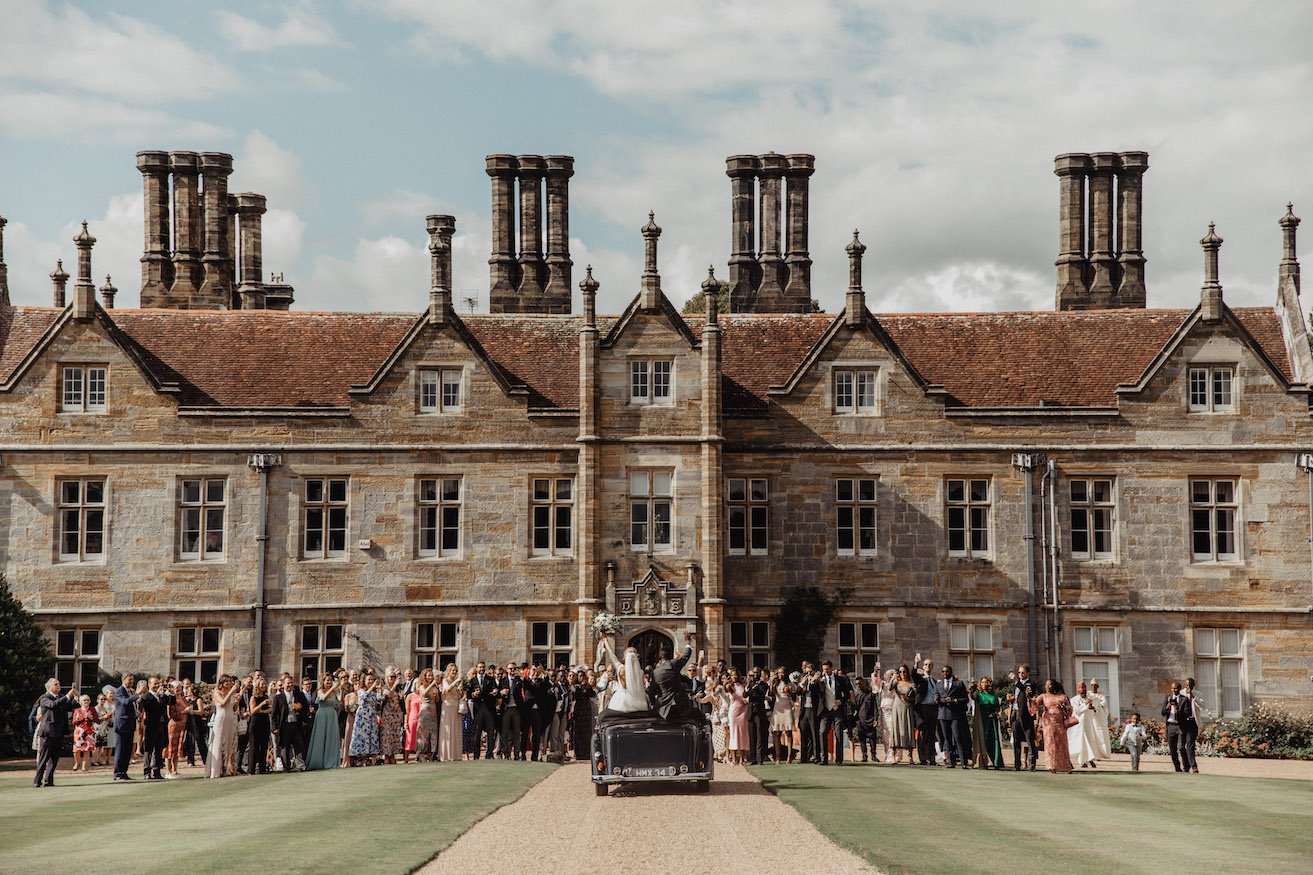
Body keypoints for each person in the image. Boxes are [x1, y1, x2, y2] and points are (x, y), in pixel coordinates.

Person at [34, 679, 79, 787]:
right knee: (44, 758)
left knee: (54, 758)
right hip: (48, 732)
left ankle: (49, 780)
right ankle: (37, 780)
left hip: (59, 732)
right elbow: (53, 705)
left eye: (59, 684)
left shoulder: (61, 697)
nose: (59, 686)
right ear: (50, 687)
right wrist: (68, 696)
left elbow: (74, 705)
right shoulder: (44, 698)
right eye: (56, 684)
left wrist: (76, 696)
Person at [596, 632, 650, 714]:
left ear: (625, 657)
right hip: (638, 700)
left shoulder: (620, 668)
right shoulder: (641, 672)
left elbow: (611, 654)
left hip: (621, 701)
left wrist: (605, 640)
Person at [271, 672, 311, 772]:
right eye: (288, 683)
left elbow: (306, 707)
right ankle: (286, 766)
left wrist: (300, 708)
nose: (290, 685)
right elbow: (274, 714)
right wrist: (275, 727)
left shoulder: (299, 695)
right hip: (284, 724)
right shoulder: (278, 697)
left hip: (296, 723)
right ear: (283, 685)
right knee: (285, 746)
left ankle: (301, 765)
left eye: (291, 683)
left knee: (299, 745)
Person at [816, 660, 852, 765]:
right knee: (822, 732)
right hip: (825, 710)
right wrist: (815, 680)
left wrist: (841, 701)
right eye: (823, 669)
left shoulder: (840, 679)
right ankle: (824, 759)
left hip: (837, 711)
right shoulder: (820, 681)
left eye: (827, 669)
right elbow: (815, 692)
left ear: (831, 668)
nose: (825, 671)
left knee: (838, 734)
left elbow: (847, 694)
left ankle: (839, 759)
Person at [935, 665, 972, 768]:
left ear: (951, 672)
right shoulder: (939, 685)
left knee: (958, 737)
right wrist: (942, 700)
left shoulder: (958, 684)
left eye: (947, 671)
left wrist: (954, 700)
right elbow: (937, 698)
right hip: (943, 714)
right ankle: (951, 762)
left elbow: (965, 699)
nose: (945, 673)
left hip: (955, 715)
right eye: (943, 671)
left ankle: (964, 762)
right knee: (946, 739)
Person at [1034, 679, 1074, 774]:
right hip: (1048, 723)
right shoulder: (1043, 696)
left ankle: (1066, 765)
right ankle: (1052, 766)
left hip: (1059, 722)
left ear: (1054, 686)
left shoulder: (1062, 697)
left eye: (1050, 684)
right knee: (1050, 743)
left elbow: (1070, 709)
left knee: (1062, 743)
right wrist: (1028, 698)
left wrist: (1063, 706)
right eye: (1046, 685)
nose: (1048, 686)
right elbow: (1034, 705)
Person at [1068, 681, 1110, 768]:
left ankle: (1090, 759)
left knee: (1090, 742)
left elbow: (1098, 709)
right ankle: (1082, 761)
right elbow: (1076, 711)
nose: (1083, 693)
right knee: (1081, 743)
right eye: (1081, 692)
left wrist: (1093, 708)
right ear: (1078, 691)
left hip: (1089, 724)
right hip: (1079, 725)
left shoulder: (1090, 698)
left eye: (1084, 691)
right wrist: (1086, 705)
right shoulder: (1074, 700)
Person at [305, 673, 342, 770]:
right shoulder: (320, 691)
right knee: (320, 737)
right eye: (327, 680)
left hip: (332, 715)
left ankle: (331, 761)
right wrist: (332, 688)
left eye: (330, 680)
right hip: (322, 715)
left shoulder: (334, 691)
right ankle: (318, 761)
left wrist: (340, 688)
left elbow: (340, 699)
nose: (329, 682)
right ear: (323, 681)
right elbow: (323, 697)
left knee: (331, 737)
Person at [206, 675, 240, 778]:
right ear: (222, 683)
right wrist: (232, 692)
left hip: (230, 719)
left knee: (228, 744)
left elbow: (233, 708)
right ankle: (216, 770)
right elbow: (223, 703)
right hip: (221, 720)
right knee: (219, 743)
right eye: (227, 682)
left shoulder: (231, 693)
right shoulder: (217, 692)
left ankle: (226, 769)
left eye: (230, 682)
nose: (229, 684)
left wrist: (237, 699)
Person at [139, 676, 171, 780]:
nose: (156, 686)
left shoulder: (161, 696)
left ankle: (157, 771)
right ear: (149, 685)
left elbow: (171, 701)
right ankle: (147, 771)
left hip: (161, 725)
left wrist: (169, 692)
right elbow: (149, 706)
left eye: (158, 683)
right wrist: (159, 697)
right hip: (151, 725)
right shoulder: (147, 696)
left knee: (159, 749)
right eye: (154, 684)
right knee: (149, 749)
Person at [1008, 663, 1039, 771]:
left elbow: (1028, 693)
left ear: (1028, 673)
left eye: (1023, 672)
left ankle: (1031, 765)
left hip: (1025, 714)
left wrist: (1017, 681)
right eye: (1019, 672)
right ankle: (1017, 765)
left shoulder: (1030, 683)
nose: (1020, 674)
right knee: (1016, 740)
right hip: (1015, 712)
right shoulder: (1017, 684)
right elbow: (1018, 696)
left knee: (1029, 740)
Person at [970, 677, 1004, 769]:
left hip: (992, 720)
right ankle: (983, 762)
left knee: (993, 739)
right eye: (982, 682)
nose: (984, 684)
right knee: (982, 739)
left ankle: (996, 762)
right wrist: (970, 689)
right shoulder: (978, 694)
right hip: (981, 719)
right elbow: (973, 697)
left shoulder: (994, 695)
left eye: (986, 682)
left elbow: (998, 708)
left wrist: (994, 713)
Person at [468, 661, 499, 760]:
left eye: (483, 667)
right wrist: (473, 695)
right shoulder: (472, 681)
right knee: (477, 733)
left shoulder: (490, 679)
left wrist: (495, 692)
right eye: (480, 667)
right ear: (476, 668)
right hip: (478, 708)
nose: (481, 669)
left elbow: (495, 690)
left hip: (489, 708)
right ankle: (476, 755)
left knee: (490, 732)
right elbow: (468, 694)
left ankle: (489, 754)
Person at [111, 673, 139, 781]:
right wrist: (137, 694)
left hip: (130, 724)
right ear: (123, 680)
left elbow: (132, 705)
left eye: (132, 679)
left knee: (127, 750)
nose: (131, 681)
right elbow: (125, 702)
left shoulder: (131, 691)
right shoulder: (119, 691)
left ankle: (124, 772)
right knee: (120, 749)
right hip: (121, 725)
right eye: (129, 679)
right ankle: (118, 773)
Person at [244, 676, 273, 774]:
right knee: (254, 746)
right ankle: (251, 770)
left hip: (264, 721)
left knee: (264, 745)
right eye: (262, 684)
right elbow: (252, 711)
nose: (264, 686)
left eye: (265, 684)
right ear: (258, 686)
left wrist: (263, 711)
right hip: (255, 722)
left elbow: (270, 709)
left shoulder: (266, 697)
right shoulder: (254, 698)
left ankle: (262, 769)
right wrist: (261, 705)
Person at [914, 656, 939, 765]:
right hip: (923, 708)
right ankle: (923, 758)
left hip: (933, 708)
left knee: (931, 734)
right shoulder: (921, 679)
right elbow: (913, 675)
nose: (928, 666)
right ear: (923, 667)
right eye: (926, 664)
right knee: (922, 734)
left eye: (930, 665)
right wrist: (916, 664)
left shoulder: (934, 681)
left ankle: (931, 758)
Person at [1162, 681, 1191, 773]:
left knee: (1181, 747)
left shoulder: (1184, 699)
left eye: (1176, 688)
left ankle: (1186, 766)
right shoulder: (1168, 698)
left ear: (1179, 689)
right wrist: (1168, 706)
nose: (1174, 690)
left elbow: (1187, 713)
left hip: (1180, 726)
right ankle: (1177, 767)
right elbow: (1163, 713)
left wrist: (1177, 708)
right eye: (1172, 688)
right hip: (1171, 725)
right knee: (1172, 749)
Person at [437, 665, 464, 762]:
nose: (454, 672)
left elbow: (460, 695)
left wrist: (460, 690)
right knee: (448, 729)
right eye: (453, 670)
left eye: (456, 670)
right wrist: (456, 681)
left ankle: (456, 754)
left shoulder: (457, 682)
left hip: (456, 707)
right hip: (448, 707)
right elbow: (447, 689)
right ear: (449, 671)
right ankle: (446, 755)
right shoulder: (445, 680)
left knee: (456, 730)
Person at [770, 668, 796, 764]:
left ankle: (789, 756)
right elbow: (771, 694)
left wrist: (789, 691)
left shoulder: (790, 683)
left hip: (787, 708)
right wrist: (772, 682)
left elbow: (794, 697)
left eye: (783, 672)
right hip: (778, 708)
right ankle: (777, 757)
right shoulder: (776, 683)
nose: (781, 674)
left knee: (788, 732)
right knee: (777, 733)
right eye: (779, 673)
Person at [746, 667, 771, 764]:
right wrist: (749, 686)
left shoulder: (764, 685)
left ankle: (760, 758)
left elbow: (761, 695)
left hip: (759, 712)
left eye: (757, 673)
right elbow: (745, 695)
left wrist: (753, 689)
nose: (755, 675)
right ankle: (752, 759)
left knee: (760, 735)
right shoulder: (750, 684)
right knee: (752, 736)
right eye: (754, 673)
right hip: (751, 712)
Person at [570, 669, 597, 761]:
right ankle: (578, 753)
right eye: (579, 676)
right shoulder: (575, 686)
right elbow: (576, 693)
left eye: (582, 676)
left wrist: (586, 687)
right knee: (578, 731)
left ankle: (586, 752)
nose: (580, 678)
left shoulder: (588, 686)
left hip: (586, 710)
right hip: (579, 709)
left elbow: (591, 693)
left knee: (587, 732)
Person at [164, 680, 189, 778]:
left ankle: (175, 770)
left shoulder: (183, 699)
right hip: (173, 725)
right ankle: (168, 770)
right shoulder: (171, 699)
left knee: (177, 748)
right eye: (176, 687)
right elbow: (171, 714)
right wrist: (184, 711)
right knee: (170, 748)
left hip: (182, 726)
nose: (178, 689)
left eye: (179, 687)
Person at [378, 674, 404, 764]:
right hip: (387, 714)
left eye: (394, 676)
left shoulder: (398, 687)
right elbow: (387, 695)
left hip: (396, 713)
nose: (393, 678)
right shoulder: (385, 687)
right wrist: (394, 685)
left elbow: (400, 699)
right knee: (387, 735)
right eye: (391, 676)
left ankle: (393, 755)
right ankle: (386, 755)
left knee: (394, 735)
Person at [725, 667, 749, 764]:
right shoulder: (730, 686)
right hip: (734, 712)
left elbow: (746, 696)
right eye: (732, 675)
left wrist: (745, 700)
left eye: (736, 675)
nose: (734, 677)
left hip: (743, 711)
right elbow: (726, 690)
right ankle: (734, 758)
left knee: (743, 733)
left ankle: (742, 757)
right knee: (734, 733)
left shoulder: (742, 686)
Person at [1180, 677, 1203, 774]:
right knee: (1181, 747)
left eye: (1190, 685)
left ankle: (1194, 767)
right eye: (1186, 685)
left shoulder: (1198, 694)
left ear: (1194, 685)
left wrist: (1193, 696)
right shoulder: (1181, 693)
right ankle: (1186, 766)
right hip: (1183, 722)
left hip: (1193, 721)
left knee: (1190, 744)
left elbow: (1202, 706)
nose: (1188, 687)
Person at [852, 677, 876, 763]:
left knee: (872, 739)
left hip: (870, 719)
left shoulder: (871, 695)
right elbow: (854, 708)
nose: (858, 686)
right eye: (857, 684)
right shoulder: (856, 696)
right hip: (860, 720)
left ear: (864, 683)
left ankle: (873, 755)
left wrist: (875, 719)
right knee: (862, 740)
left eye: (860, 683)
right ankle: (864, 755)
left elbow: (875, 708)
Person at [71, 694, 97, 772]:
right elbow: (74, 722)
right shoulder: (77, 710)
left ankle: (84, 766)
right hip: (79, 732)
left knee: (87, 749)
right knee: (76, 749)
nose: (86, 701)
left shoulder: (92, 709)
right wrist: (78, 719)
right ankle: (77, 763)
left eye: (88, 700)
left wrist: (92, 718)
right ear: (81, 702)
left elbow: (97, 719)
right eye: (84, 700)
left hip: (89, 731)